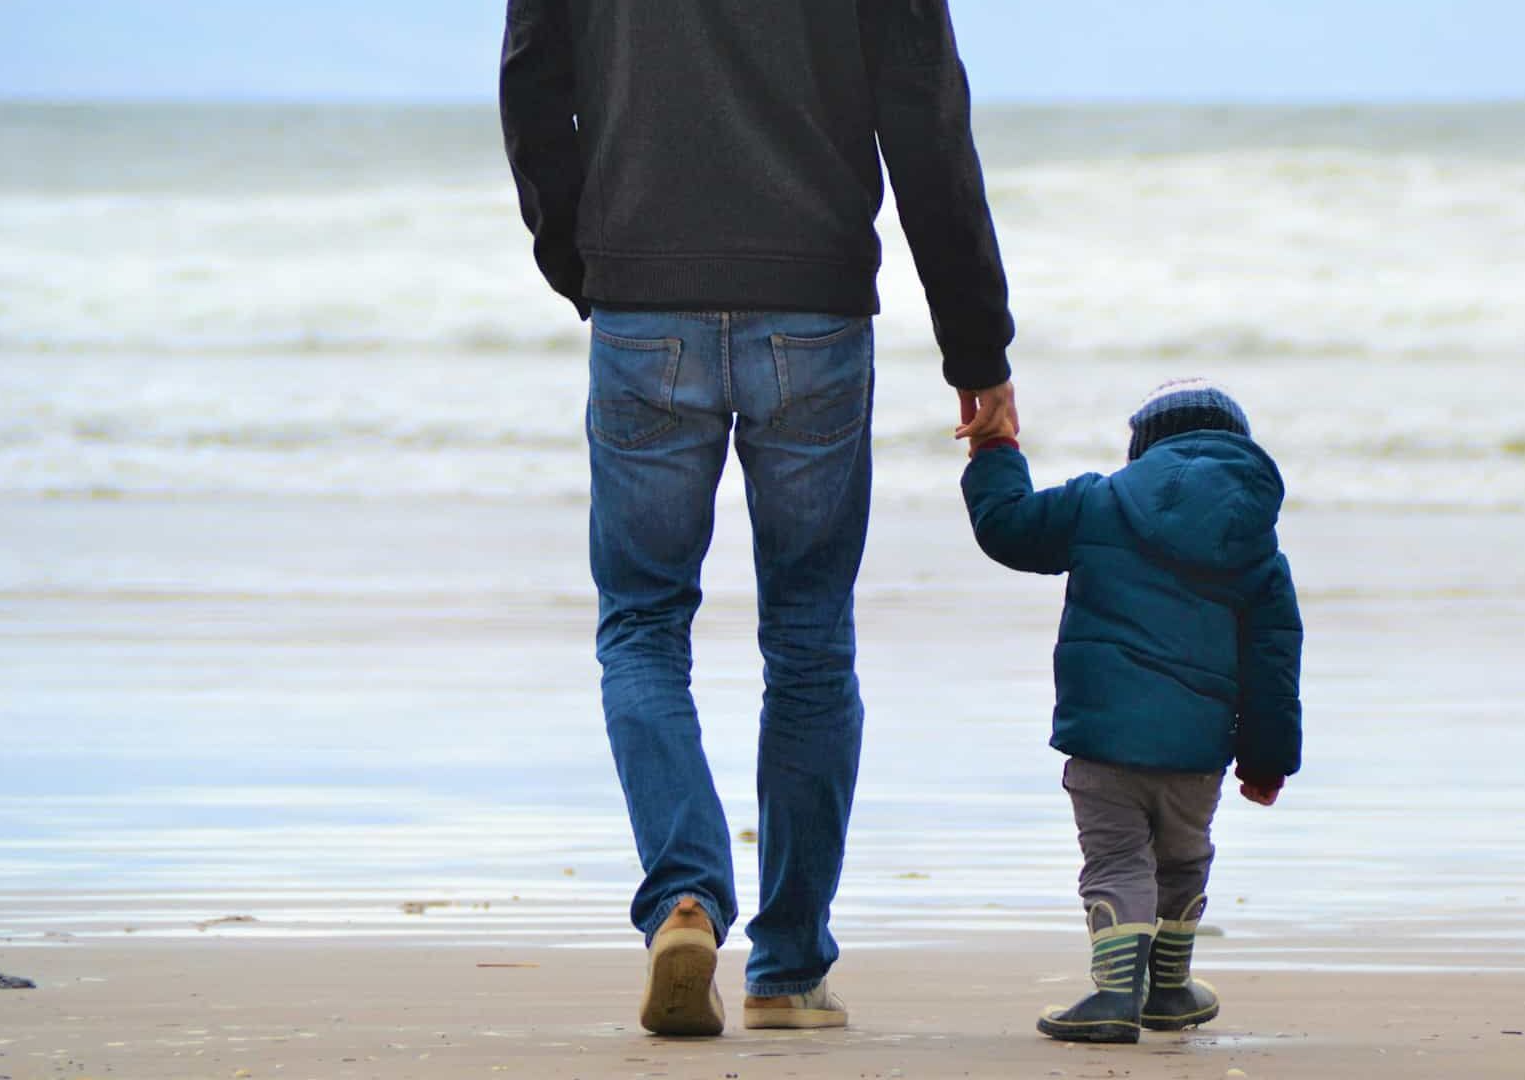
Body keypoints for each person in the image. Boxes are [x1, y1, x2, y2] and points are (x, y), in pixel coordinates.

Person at [499, 0, 1018, 1038]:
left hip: (645, 300)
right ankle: (786, 969)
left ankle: (686, 899)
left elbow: (530, 85)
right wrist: (977, 349)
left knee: (644, 626)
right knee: (811, 639)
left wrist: (586, 264)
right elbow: (926, 116)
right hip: (813, 309)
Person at [960, 378, 1303, 1043]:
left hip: (1104, 742)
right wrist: (1266, 761)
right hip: (1196, 754)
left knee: (1116, 859)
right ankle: (1169, 990)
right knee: (1181, 859)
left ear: (1143, 449)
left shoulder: (1098, 503)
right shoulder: (1255, 545)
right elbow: (1273, 664)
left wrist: (996, 445)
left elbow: (1006, 526)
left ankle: (1116, 992)